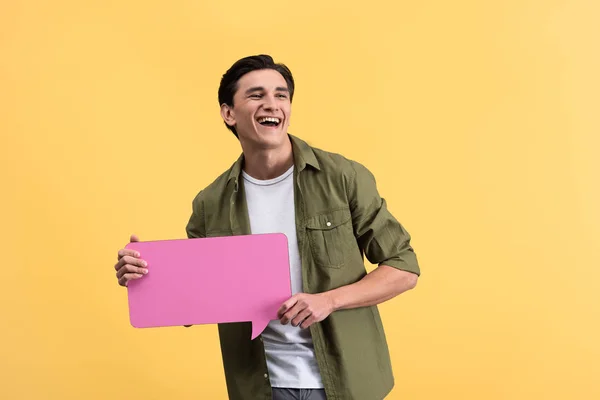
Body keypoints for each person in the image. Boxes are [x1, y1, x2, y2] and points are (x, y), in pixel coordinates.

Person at [114, 55, 421, 400]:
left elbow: (403, 267)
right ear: (229, 113)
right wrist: (146, 279)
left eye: (281, 95)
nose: (272, 104)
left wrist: (329, 301)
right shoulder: (210, 203)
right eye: (256, 95)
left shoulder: (343, 178)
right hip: (260, 387)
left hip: (347, 382)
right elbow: (195, 302)